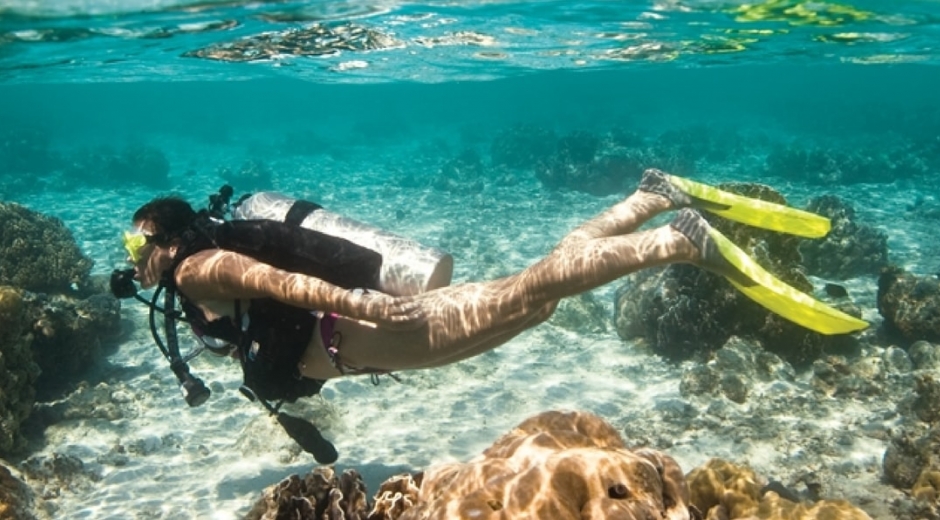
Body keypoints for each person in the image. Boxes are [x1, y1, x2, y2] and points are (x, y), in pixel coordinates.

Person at [123, 169, 867, 384]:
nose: (136, 261)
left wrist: (356, 304)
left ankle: (671, 242)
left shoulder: (196, 268)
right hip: (355, 334)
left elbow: (283, 287)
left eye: (136, 244)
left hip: (355, 333)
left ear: (167, 238)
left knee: (527, 293)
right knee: (532, 297)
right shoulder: (200, 263)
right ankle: (647, 197)